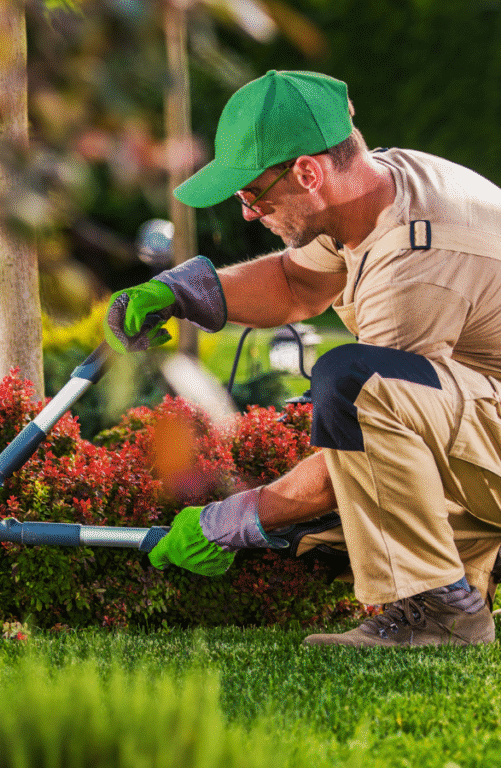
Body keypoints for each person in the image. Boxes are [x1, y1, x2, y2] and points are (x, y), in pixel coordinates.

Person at [105, 69, 501, 647]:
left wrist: (228, 521)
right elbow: (297, 285)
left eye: (252, 194)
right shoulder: (375, 190)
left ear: (309, 172)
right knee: (334, 485)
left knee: (348, 387)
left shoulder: (417, 259)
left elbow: (370, 418)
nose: (246, 213)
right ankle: (461, 580)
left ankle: (443, 612)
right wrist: (184, 292)